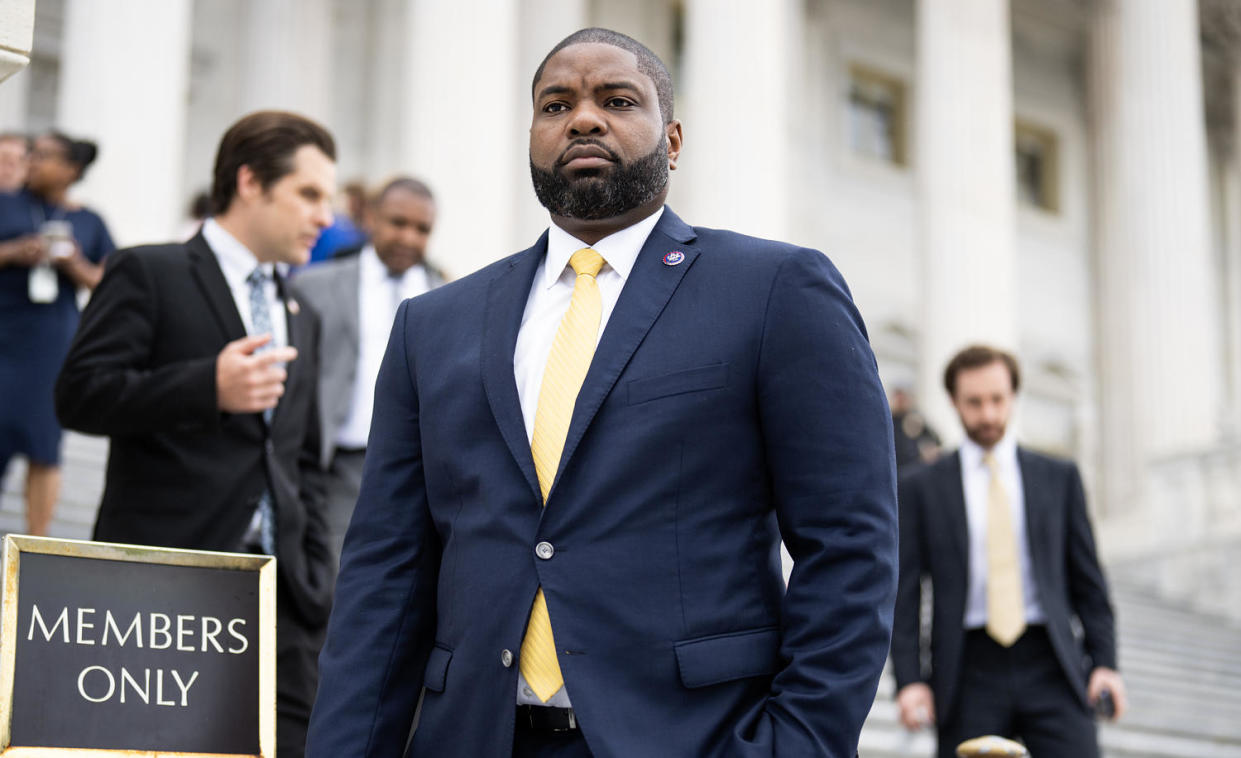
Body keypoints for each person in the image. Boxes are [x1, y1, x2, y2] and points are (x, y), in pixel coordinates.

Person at [307, 28, 897, 758]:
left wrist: (795, 745)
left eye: (617, 100)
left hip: (694, 738)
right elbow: (384, 575)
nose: (582, 119)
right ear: (530, 137)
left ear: (672, 139)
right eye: (555, 105)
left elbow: (849, 545)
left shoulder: (776, 291)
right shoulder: (433, 324)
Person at [54, 111, 337, 758]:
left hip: (284, 600)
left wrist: (316, 571)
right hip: (167, 590)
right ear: (249, 182)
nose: (325, 216)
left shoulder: (304, 313)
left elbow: (300, 459)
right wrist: (204, 387)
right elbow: (79, 396)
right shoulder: (149, 273)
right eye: (309, 194)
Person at [891, 345, 1127, 758]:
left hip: (1051, 661)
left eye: (997, 400)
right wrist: (910, 680)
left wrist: (1105, 662)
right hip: (966, 669)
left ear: (1013, 396)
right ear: (953, 402)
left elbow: (1088, 580)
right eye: (974, 402)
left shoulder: (1059, 478)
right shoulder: (921, 487)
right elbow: (905, 593)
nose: (987, 415)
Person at [292, 176, 444, 561]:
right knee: (336, 577)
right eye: (398, 223)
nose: (408, 238)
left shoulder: (444, 293)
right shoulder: (315, 286)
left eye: (421, 229)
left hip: (417, 469)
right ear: (372, 218)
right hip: (337, 464)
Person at [0, 131, 114, 536]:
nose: (32, 161)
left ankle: (36, 543)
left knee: (44, 444)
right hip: (4, 333)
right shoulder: (6, 202)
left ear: (70, 170)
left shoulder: (89, 221)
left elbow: (107, 282)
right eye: (32, 153)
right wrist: (15, 252)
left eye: (44, 156)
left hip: (49, 344)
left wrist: (73, 263)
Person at [891, 386, 941, 473]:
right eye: (898, 398)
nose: (900, 402)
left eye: (903, 398)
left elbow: (936, 440)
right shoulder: (890, 421)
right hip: (896, 468)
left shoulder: (916, 418)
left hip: (914, 468)